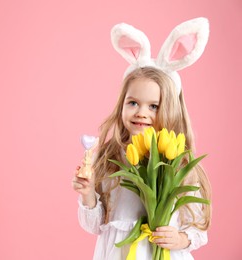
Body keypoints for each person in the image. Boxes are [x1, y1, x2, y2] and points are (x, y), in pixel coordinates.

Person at [72, 18, 212, 260]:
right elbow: (95, 226)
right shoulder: (111, 158)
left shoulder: (177, 162)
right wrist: (87, 195)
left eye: (154, 106)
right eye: (133, 103)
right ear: (122, 105)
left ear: (170, 111)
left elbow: (198, 228)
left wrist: (180, 238)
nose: (141, 112)